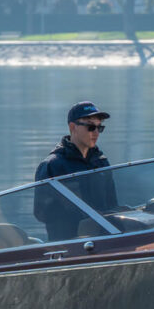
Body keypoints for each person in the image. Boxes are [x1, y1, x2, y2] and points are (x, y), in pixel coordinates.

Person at [34, 101, 118, 241]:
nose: (96, 132)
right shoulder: (53, 165)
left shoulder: (102, 162)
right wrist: (74, 212)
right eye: (91, 127)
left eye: (99, 127)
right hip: (69, 246)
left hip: (104, 241)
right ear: (73, 127)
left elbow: (112, 204)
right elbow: (41, 213)